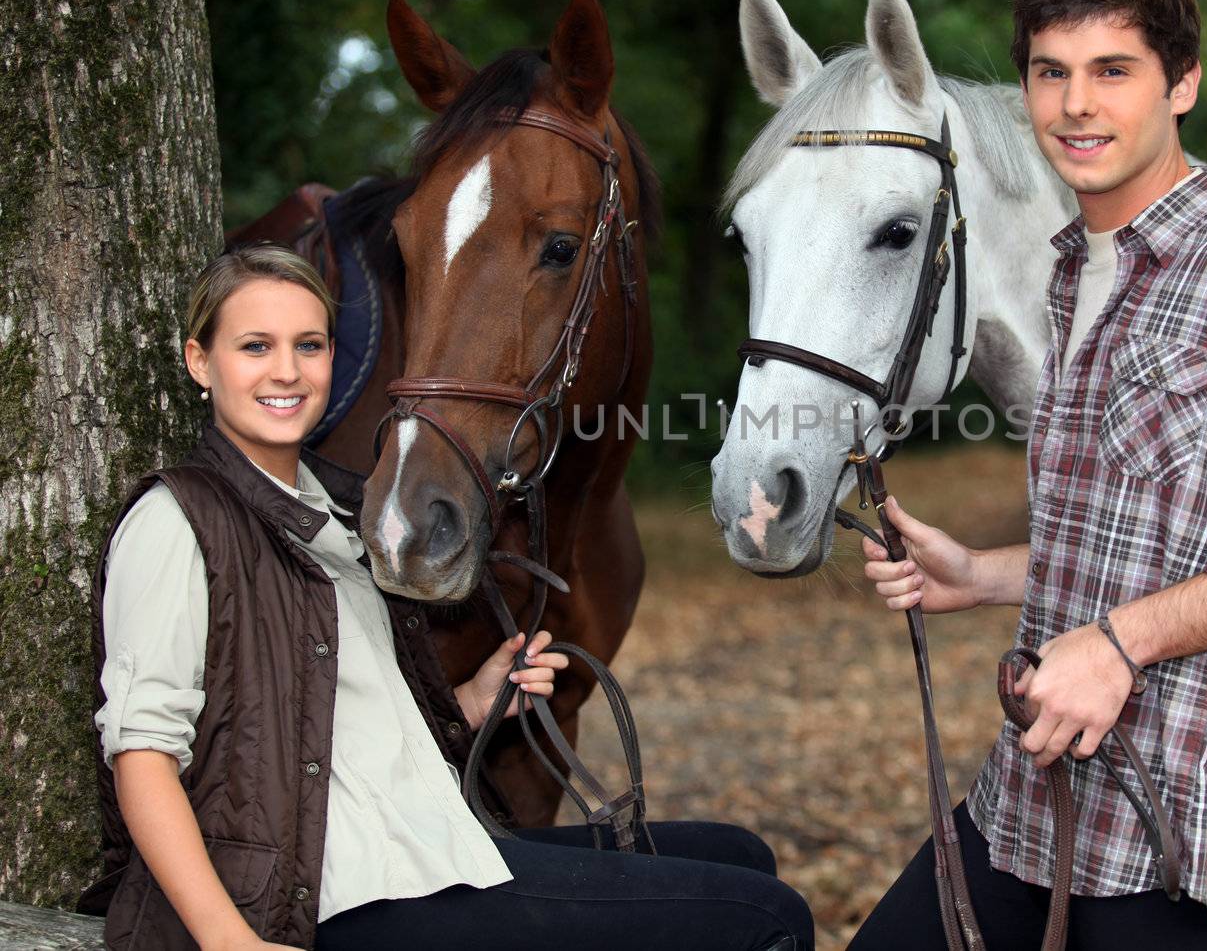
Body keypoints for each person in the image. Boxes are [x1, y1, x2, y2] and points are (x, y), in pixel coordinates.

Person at [851, 0, 1207, 949]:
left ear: (1181, 82)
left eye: (1113, 71)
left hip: (1165, 838)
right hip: (1023, 796)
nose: (1074, 105)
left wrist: (1120, 642)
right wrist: (978, 572)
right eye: (1049, 72)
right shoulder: (1073, 274)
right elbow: (1148, 531)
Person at [81, 245, 812, 951]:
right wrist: (226, 937)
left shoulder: (336, 512)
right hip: (342, 891)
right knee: (765, 918)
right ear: (200, 362)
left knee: (741, 853)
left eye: (309, 345)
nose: (287, 370)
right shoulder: (178, 519)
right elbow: (142, 755)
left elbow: (345, 732)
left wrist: (474, 696)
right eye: (255, 346)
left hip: (426, 843)